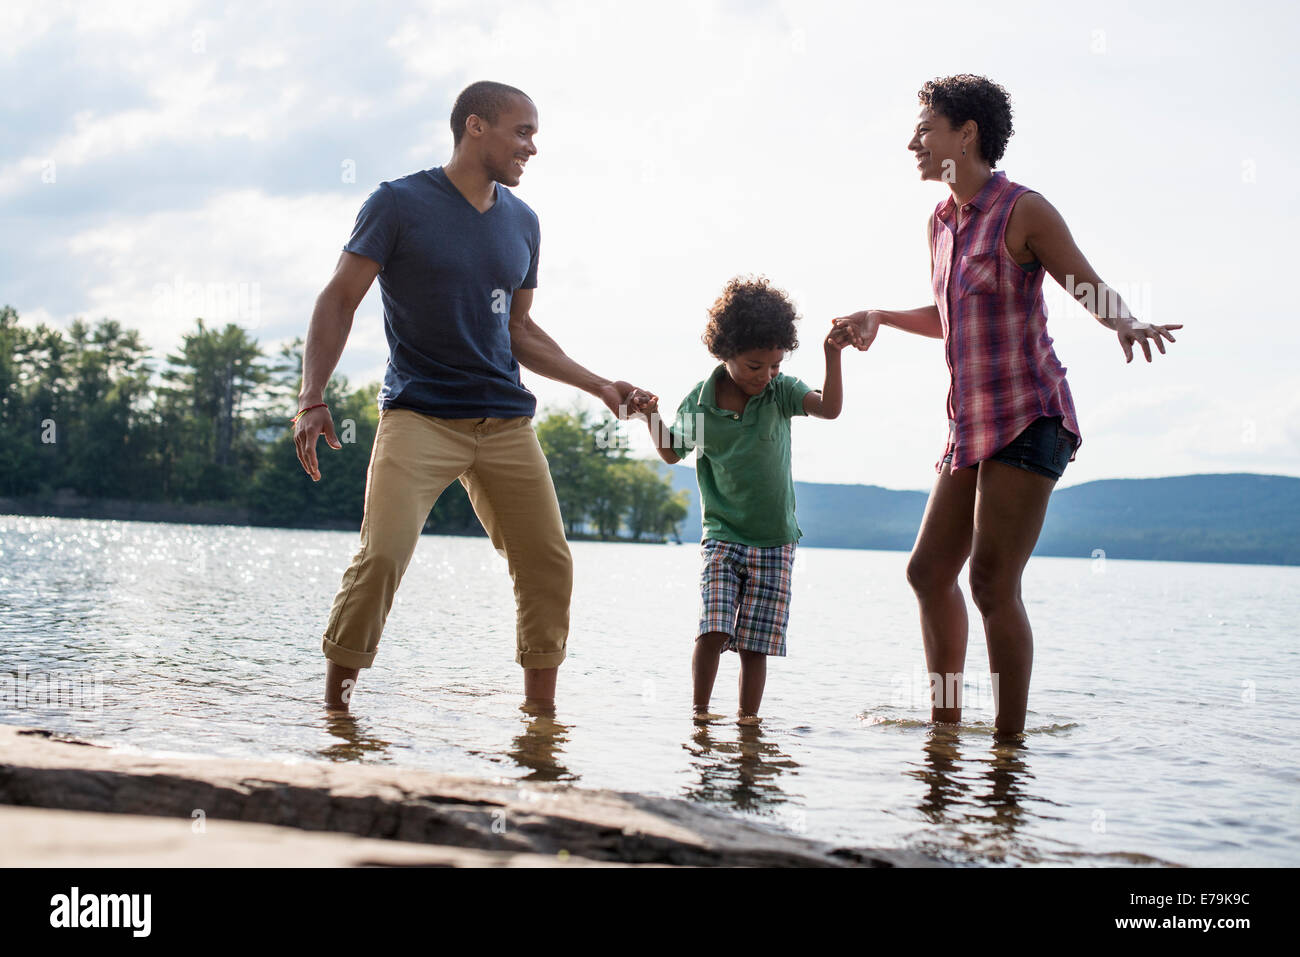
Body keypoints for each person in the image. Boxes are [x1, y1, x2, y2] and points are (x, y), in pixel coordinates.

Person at [833, 74, 1181, 737]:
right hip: (968, 426)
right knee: (929, 570)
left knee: (992, 582)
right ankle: (944, 725)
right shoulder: (939, 223)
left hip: (1031, 416)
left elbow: (1086, 283)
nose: (913, 141)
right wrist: (880, 315)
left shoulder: (1023, 210)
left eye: (925, 128)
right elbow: (950, 314)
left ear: (965, 136)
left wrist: (1126, 322)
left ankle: (1007, 745)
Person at [293, 80, 650, 712]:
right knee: (381, 560)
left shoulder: (523, 222)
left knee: (548, 565)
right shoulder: (397, 203)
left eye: (535, 134)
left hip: (506, 423)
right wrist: (311, 395)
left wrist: (598, 384)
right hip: (419, 417)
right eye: (523, 131)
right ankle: (337, 713)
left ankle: (541, 721)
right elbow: (339, 298)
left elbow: (518, 330)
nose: (533, 147)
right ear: (475, 127)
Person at [641, 276, 847, 724]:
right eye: (755, 366)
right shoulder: (700, 405)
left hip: (776, 542)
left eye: (773, 365)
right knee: (714, 627)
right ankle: (699, 718)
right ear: (725, 353)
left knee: (756, 645)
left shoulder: (781, 392)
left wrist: (832, 354)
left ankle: (747, 724)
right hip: (723, 535)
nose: (765, 376)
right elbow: (673, 450)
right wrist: (649, 414)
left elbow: (829, 408)